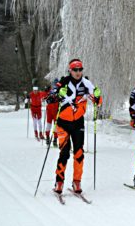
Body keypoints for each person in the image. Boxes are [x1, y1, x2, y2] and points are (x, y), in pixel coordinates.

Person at [52, 59, 102, 194]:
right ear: (70, 70)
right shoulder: (64, 81)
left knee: (79, 153)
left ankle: (77, 181)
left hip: (78, 122)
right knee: (64, 152)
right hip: (63, 122)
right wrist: (55, 95)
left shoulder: (86, 83)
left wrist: (97, 97)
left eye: (80, 69)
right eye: (75, 70)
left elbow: (96, 97)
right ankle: (59, 181)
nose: (78, 72)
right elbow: (54, 91)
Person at [44, 79, 60, 147]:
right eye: (54, 84)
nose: (55, 86)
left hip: (56, 110)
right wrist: (47, 96)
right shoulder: (50, 91)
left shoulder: (59, 90)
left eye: (56, 84)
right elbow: (45, 98)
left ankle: (55, 139)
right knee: (49, 124)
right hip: (50, 110)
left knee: (56, 125)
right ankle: (47, 138)